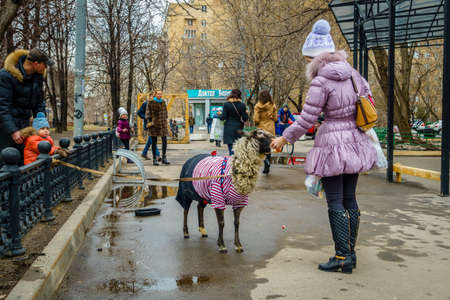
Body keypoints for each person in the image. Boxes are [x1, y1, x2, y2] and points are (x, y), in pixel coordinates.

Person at [271, 19, 376, 274]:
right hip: (356, 142)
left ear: (315, 58)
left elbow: (307, 118)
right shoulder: (353, 74)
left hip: (331, 145)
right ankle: (350, 254)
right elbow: (369, 101)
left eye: (308, 60)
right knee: (350, 198)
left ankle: (341, 257)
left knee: (335, 201)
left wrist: (285, 138)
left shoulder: (320, 81)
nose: (308, 65)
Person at [0, 48, 54, 165]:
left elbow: (39, 103)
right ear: (35, 64)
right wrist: (13, 130)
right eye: (44, 65)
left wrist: (43, 127)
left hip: (24, 125)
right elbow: (3, 106)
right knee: (7, 161)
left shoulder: (37, 77)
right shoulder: (6, 75)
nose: (46, 68)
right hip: (6, 128)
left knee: (23, 161)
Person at [253, 90, 277, 174]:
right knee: (268, 147)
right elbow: (275, 118)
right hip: (270, 128)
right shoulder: (273, 105)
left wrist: (257, 123)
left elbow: (256, 119)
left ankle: (263, 161)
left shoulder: (257, 106)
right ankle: (267, 163)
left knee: (260, 146)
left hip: (261, 128)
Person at [145, 90, 170, 166]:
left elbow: (165, 112)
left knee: (164, 140)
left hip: (162, 124)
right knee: (154, 142)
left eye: (161, 94)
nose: (160, 95)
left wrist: (166, 119)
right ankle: (154, 159)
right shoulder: (151, 102)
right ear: (155, 94)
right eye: (158, 94)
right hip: (154, 125)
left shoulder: (163, 102)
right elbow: (147, 113)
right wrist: (150, 121)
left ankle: (164, 157)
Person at [220, 89, 248, 155]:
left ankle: (232, 162)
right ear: (239, 95)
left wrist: (219, 115)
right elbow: (245, 119)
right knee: (238, 148)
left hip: (228, 128)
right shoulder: (242, 105)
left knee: (231, 149)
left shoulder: (226, 104)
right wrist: (246, 113)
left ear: (231, 95)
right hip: (238, 128)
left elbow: (223, 117)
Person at [137, 95, 160, 160]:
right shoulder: (145, 104)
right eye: (151, 97)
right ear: (149, 97)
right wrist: (145, 117)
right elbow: (139, 112)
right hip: (148, 125)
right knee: (152, 140)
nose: (152, 98)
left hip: (155, 125)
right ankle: (158, 155)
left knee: (150, 140)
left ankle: (144, 153)